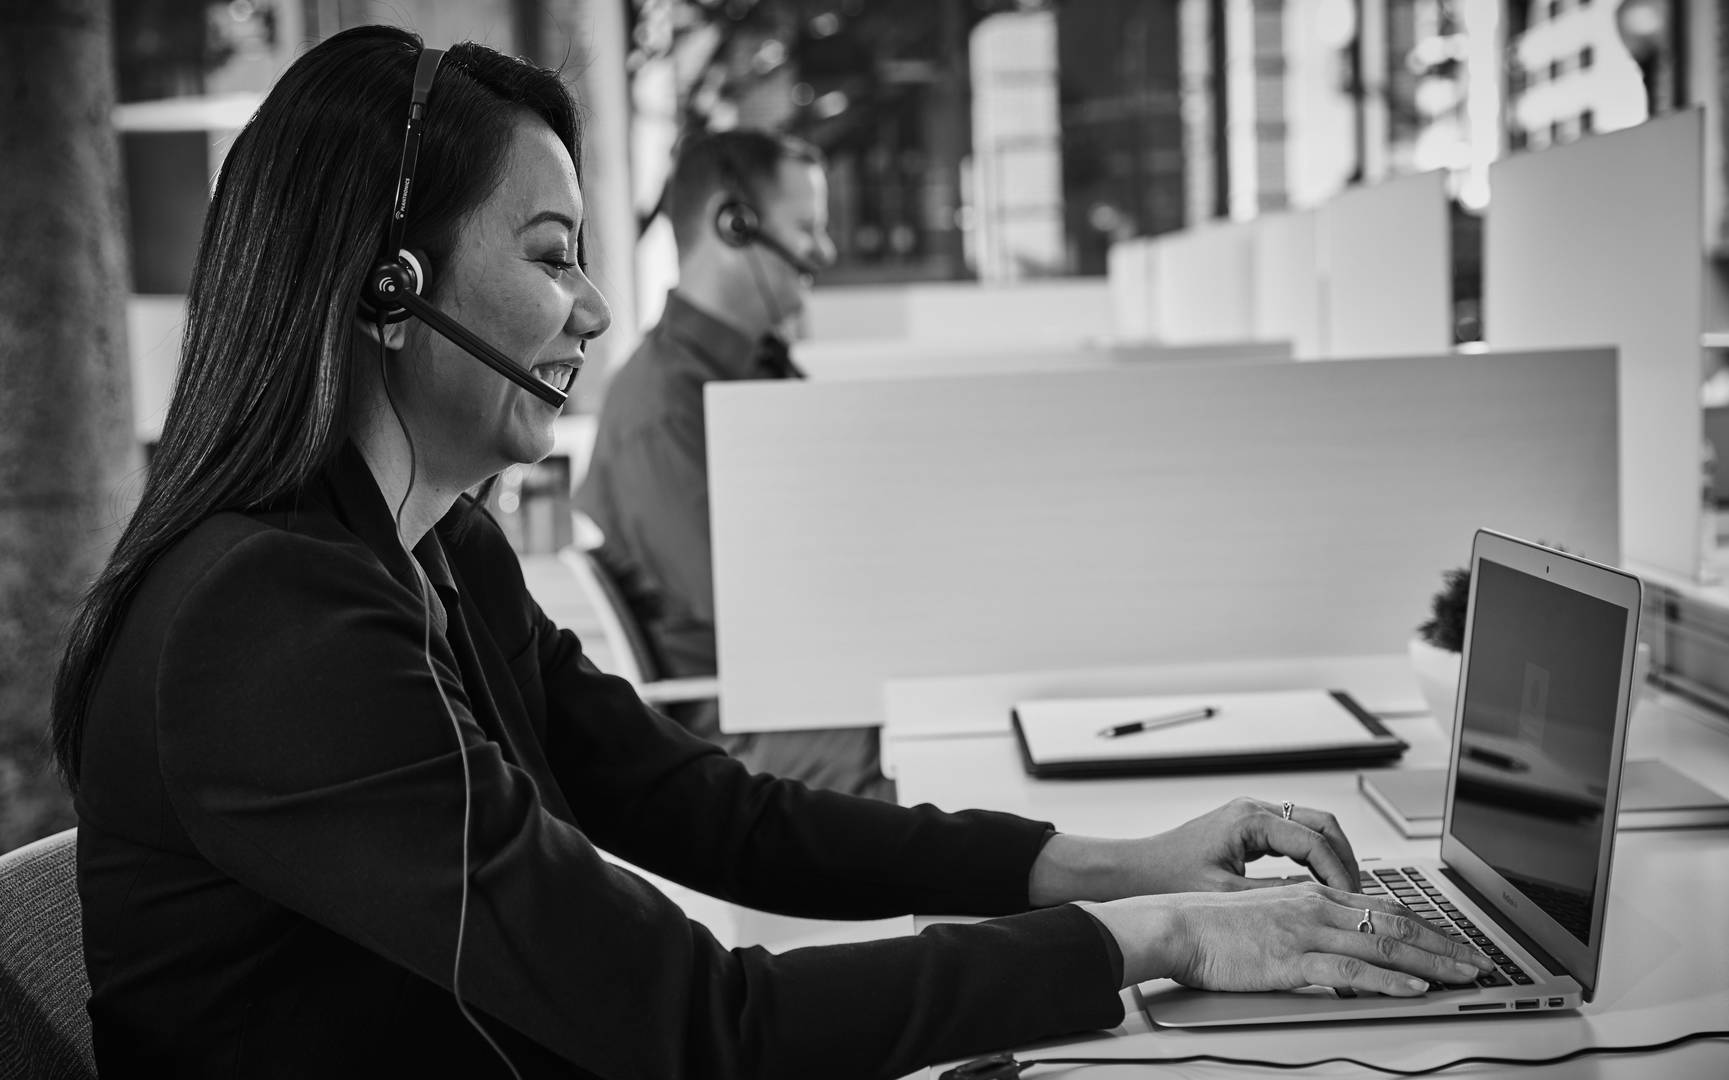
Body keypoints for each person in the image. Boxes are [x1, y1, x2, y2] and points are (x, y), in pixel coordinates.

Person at [51, 27, 1492, 1079]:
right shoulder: (266, 629)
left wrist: (1122, 869)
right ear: (389, 284)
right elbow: (698, 1026)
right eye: (552, 255)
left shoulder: (437, 553)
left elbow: (711, 814)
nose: (594, 308)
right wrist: (1162, 946)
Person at [575, 128, 892, 798]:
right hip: (747, 725)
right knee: (933, 750)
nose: (823, 252)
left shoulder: (753, 370)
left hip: (808, 688)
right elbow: (756, 611)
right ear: (735, 224)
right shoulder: (662, 405)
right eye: (806, 227)